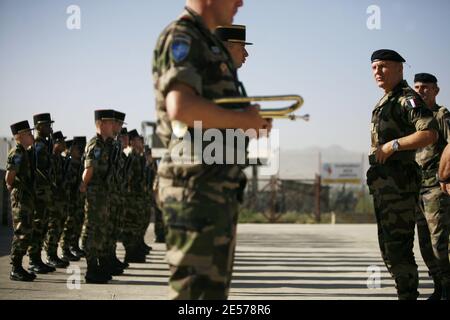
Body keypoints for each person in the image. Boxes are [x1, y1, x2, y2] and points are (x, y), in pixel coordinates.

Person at [152, 0, 272, 299]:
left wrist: (246, 123)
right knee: (193, 297)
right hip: (194, 190)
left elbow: (210, 114)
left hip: (213, 187)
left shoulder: (205, 42)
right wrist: (243, 119)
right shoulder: (183, 36)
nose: (241, 2)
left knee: (210, 296)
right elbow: (181, 107)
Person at [366, 49, 438, 300]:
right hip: (385, 187)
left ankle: (408, 296)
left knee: (399, 249)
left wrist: (392, 145)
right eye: (374, 67)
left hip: (399, 186)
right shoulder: (386, 99)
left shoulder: (407, 98)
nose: (378, 72)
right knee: (389, 249)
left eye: (384, 66)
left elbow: (428, 133)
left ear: (399, 68)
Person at [413, 73, 450, 299]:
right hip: (416, 189)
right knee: (425, 244)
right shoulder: (412, 117)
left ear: (436, 90)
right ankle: (439, 286)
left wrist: (445, 177)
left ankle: (447, 288)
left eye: (425, 87)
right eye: (417, 87)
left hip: (436, 188)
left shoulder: (441, 115)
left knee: (439, 242)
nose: (420, 91)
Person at [80, 110, 115, 284]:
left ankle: (98, 267)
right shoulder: (95, 144)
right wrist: (84, 185)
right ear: (101, 124)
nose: (112, 126)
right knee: (93, 228)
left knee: (100, 229)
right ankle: (91, 269)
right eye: (109, 123)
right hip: (95, 193)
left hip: (102, 193)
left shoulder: (105, 144)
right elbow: (88, 170)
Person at [6, 121, 37, 281]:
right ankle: (15, 268)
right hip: (21, 198)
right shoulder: (17, 152)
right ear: (21, 135)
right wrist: (15, 191)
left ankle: (18, 267)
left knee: (26, 231)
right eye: (29, 133)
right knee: (21, 232)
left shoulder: (25, 152)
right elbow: (9, 177)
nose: (32, 135)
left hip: (27, 198)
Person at [28, 113, 56, 274]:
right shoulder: (38, 146)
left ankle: (37, 259)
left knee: (43, 225)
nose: (49, 128)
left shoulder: (44, 144)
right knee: (38, 226)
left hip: (45, 192)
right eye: (46, 125)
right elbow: (37, 171)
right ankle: (33, 260)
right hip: (39, 193)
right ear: (38, 127)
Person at [44, 131, 70, 268]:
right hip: (53, 200)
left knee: (59, 227)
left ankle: (53, 254)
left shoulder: (60, 159)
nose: (64, 144)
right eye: (62, 141)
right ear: (56, 143)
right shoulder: (51, 159)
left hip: (61, 200)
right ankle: (50, 255)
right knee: (53, 227)